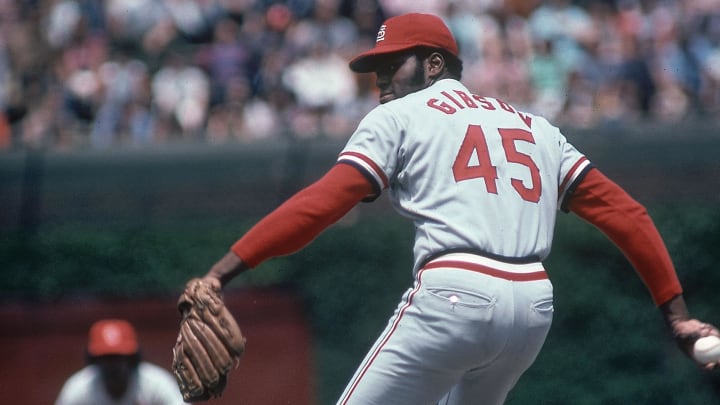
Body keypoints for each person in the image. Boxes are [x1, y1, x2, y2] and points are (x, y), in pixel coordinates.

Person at [188, 13, 720, 405]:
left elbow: (322, 203)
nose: (381, 83)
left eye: (392, 66)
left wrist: (223, 271)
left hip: (454, 294)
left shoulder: (401, 116)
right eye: (377, 72)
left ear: (435, 63)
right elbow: (628, 215)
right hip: (532, 307)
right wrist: (676, 316)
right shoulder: (534, 126)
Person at [56, 319, 186, 405]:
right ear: (94, 361)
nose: (112, 366)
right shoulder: (79, 389)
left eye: (118, 357)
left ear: (132, 359)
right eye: (106, 358)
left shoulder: (157, 385)